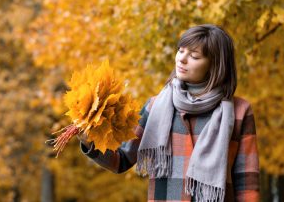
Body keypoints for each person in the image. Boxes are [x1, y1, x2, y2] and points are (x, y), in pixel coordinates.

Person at [77, 24, 260, 202]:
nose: (182, 59)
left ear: (215, 65)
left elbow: (247, 183)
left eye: (194, 56)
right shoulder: (155, 106)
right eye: (181, 51)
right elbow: (121, 159)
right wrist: (90, 142)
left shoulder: (239, 112)